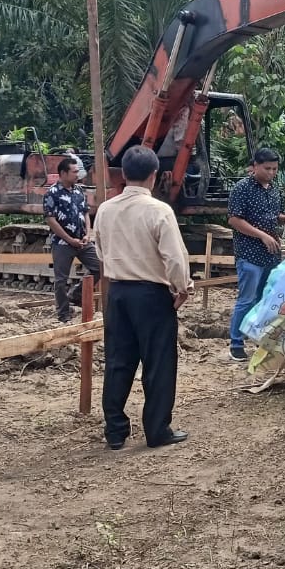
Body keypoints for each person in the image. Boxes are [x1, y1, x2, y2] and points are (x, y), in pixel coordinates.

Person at [95, 146, 191, 450]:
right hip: (152, 294)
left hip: (118, 293)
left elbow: (100, 250)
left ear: (123, 175)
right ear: (154, 176)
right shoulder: (159, 211)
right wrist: (182, 288)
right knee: (159, 363)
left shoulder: (105, 209)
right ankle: (157, 429)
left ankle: (115, 431)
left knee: (118, 362)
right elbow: (174, 259)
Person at [227, 149, 285, 362]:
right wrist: (261, 236)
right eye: (267, 168)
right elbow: (234, 220)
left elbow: (270, 216)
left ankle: (257, 337)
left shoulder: (273, 189)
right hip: (249, 253)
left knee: (264, 299)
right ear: (254, 166)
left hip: (270, 255)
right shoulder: (241, 189)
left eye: (274, 169)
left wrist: (284, 219)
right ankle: (236, 343)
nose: (271, 173)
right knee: (246, 299)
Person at [44, 158, 103, 323]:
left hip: (82, 241)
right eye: (75, 172)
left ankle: (76, 295)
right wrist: (70, 239)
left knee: (99, 266)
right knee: (61, 280)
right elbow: (50, 219)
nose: (78, 174)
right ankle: (63, 315)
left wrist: (87, 234)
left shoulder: (78, 191)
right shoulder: (52, 193)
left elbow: (85, 213)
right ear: (63, 173)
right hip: (62, 243)